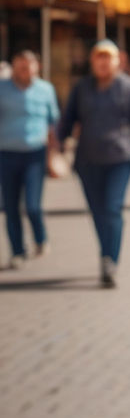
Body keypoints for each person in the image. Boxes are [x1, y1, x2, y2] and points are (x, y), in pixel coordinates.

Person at [57, 39, 130, 287]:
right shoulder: (82, 88)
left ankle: (110, 260)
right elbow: (67, 121)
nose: (103, 62)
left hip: (119, 159)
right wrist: (56, 148)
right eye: (98, 57)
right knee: (98, 212)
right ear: (92, 61)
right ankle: (106, 252)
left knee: (112, 209)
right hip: (87, 160)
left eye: (107, 57)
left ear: (117, 61)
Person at [0, 51, 60, 267]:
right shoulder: (2, 88)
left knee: (33, 205)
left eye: (28, 66)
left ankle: (40, 238)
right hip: (6, 154)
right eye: (20, 66)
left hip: (35, 154)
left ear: (37, 67)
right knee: (10, 206)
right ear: (14, 67)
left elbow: (53, 123)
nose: (24, 71)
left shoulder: (46, 90)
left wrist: (53, 157)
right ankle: (17, 251)